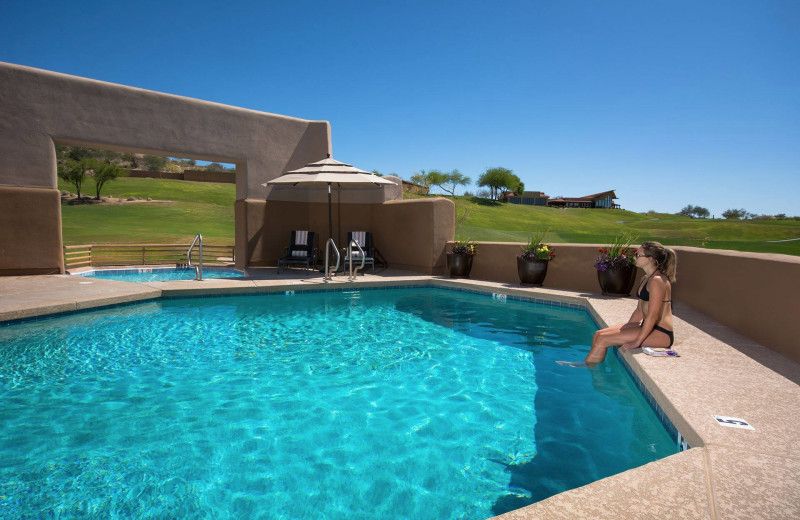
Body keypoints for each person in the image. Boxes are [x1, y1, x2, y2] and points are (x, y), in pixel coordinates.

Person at [579, 242, 678, 366]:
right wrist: (628, 328)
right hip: (648, 327)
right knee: (598, 334)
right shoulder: (646, 278)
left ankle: (590, 370)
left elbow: (653, 315)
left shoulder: (657, 281)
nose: (634, 257)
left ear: (650, 259)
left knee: (603, 339)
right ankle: (590, 364)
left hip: (661, 333)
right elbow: (639, 311)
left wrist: (637, 341)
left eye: (638, 255)